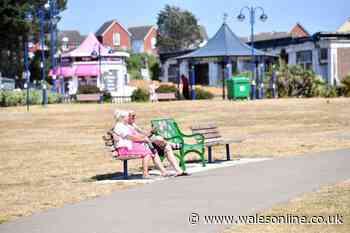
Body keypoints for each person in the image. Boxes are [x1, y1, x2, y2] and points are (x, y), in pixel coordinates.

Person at [127, 111, 189, 177]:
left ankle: (179, 170)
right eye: (133, 116)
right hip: (140, 144)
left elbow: (144, 133)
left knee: (167, 147)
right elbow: (137, 138)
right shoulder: (126, 127)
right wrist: (150, 133)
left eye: (135, 116)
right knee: (156, 143)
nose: (135, 117)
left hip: (147, 142)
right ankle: (171, 145)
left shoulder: (133, 125)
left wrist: (150, 132)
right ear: (127, 117)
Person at [113, 110, 169, 178]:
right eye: (127, 116)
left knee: (152, 150)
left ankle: (162, 171)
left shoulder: (124, 125)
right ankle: (145, 174)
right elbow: (131, 137)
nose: (129, 118)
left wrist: (145, 138)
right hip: (124, 149)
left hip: (129, 147)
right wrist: (143, 139)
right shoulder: (120, 126)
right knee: (147, 152)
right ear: (122, 118)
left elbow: (135, 136)